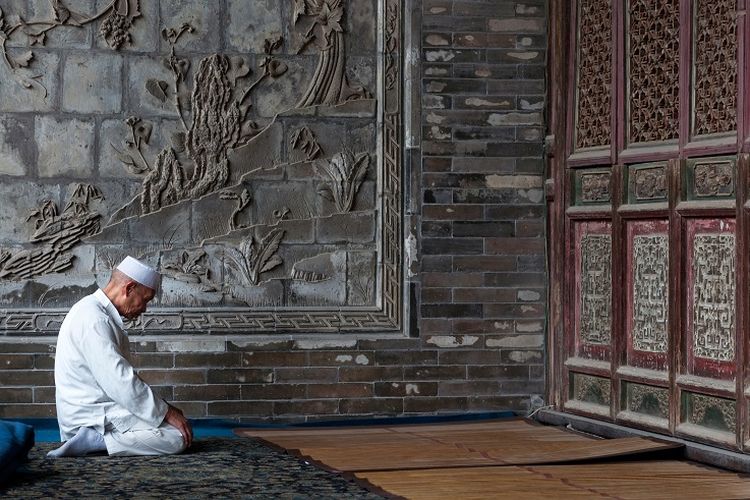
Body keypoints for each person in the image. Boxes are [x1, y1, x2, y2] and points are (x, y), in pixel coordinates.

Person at [47, 256, 193, 457]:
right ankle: (95, 440)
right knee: (177, 436)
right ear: (129, 288)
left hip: (103, 409)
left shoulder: (95, 312)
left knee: (174, 425)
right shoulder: (94, 318)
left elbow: (122, 378)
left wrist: (165, 409)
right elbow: (120, 382)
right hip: (91, 417)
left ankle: (97, 441)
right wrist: (166, 413)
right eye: (146, 299)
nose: (144, 308)